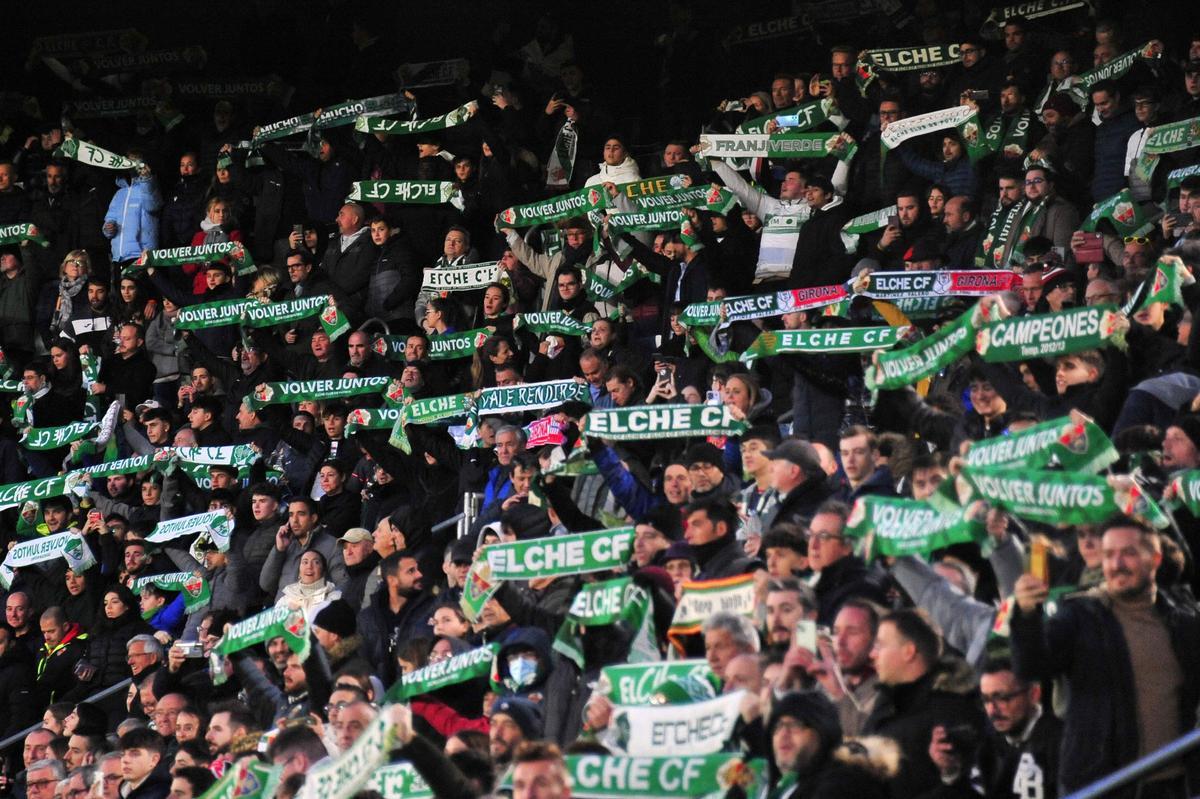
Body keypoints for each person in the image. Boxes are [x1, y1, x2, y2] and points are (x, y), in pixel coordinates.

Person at [1011, 515, 1200, 796]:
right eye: (1109, 554)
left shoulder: (1183, 621)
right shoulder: (1080, 616)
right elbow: (1031, 667)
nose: (1117, 564)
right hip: (1104, 787)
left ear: (1156, 559)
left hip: (1176, 786)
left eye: (1129, 553)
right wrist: (1026, 614)